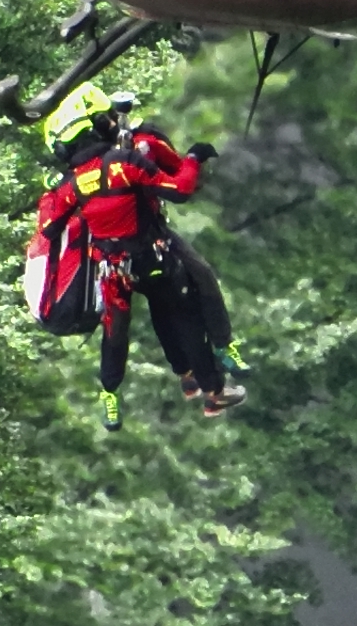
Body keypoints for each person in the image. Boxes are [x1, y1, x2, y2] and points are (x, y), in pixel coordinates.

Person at [37, 86, 242, 427]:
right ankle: (213, 387)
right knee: (183, 311)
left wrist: (54, 187)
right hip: (153, 257)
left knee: (115, 332)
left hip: (114, 273)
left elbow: (47, 228)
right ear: (98, 126)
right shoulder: (124, 162)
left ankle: (112, 398)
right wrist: (194, 157)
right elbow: (180, 190)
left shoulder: (72, 184)